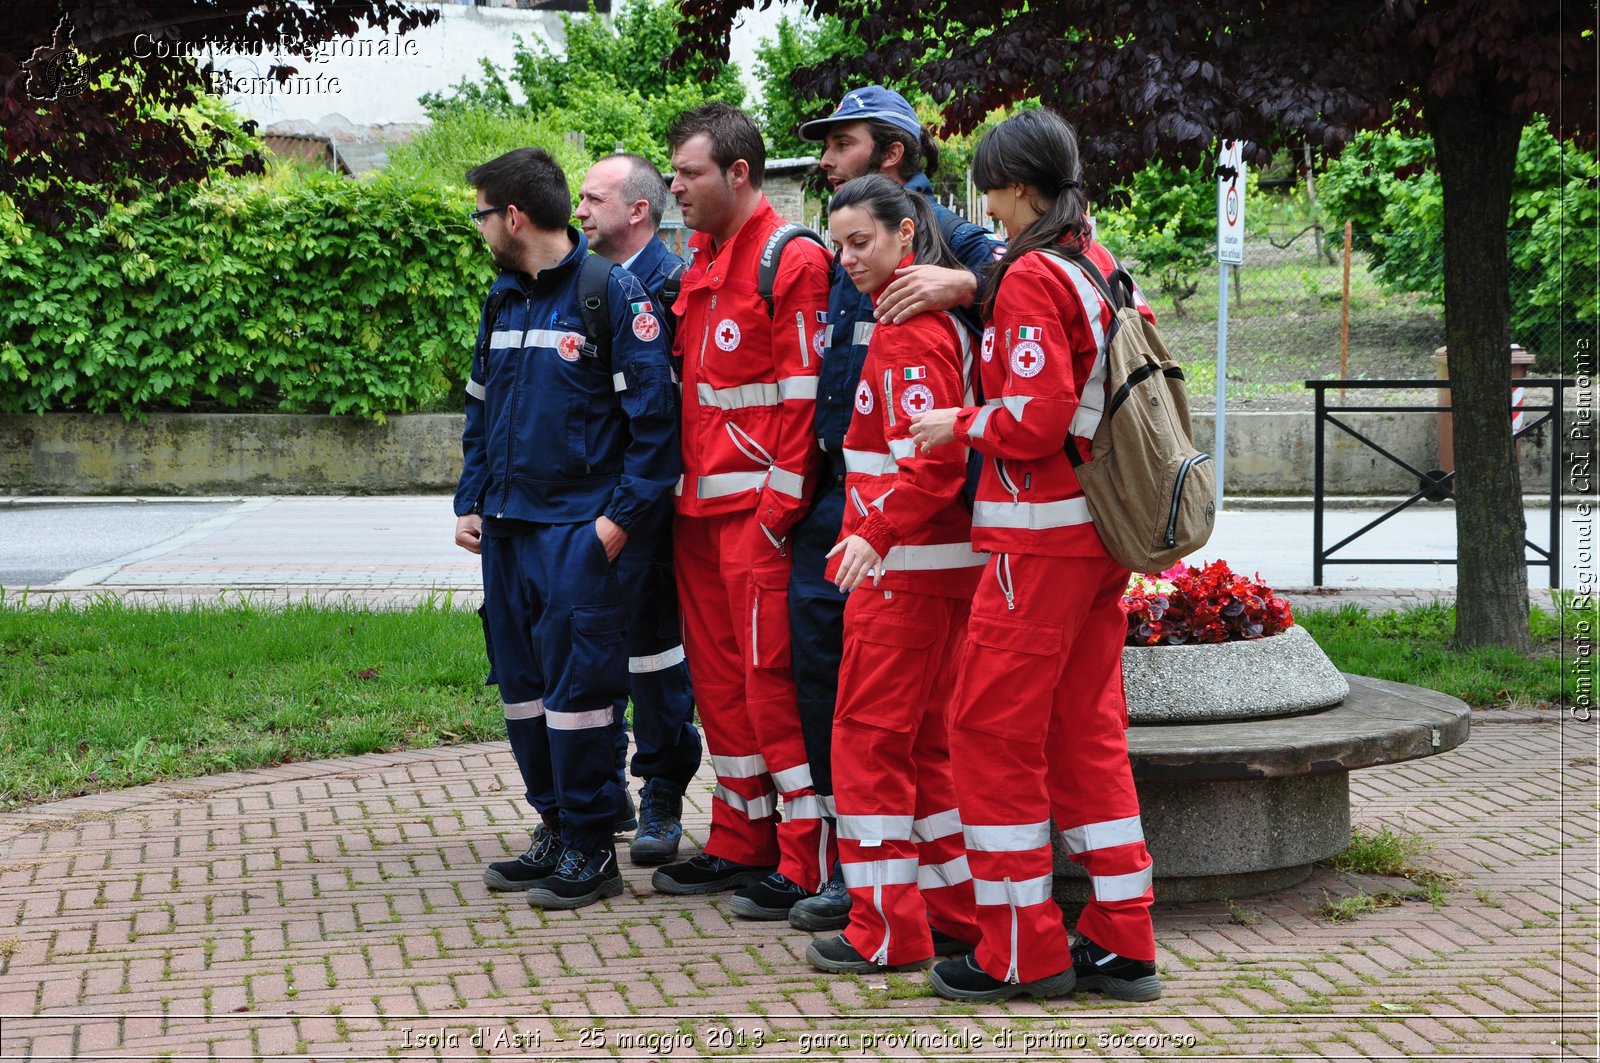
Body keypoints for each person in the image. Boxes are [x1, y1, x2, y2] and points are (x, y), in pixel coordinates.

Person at [907, 108, 1162, 1002]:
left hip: (1035, 544)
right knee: (1084, 735)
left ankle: (1020, 947)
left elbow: (1036, 416)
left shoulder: (1029, 279)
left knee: (986, 732)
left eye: (990, 184)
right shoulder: (1097, 262)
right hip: (1095, 540)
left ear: (1017, 188)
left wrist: (956, 421)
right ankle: (1124, 938)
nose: (986, 199)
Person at [784, 84, 1004, 934]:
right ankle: (948, 910)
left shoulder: (913, 321)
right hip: (928, 563)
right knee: (925, 749)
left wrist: (871, 533)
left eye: (858, 243)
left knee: (869, 742)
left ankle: (883, 926)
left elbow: (932, 459)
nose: (843, 260)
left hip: (901, 567)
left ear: (906, 230)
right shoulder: (921, 311)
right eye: (838, 244)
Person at [454, 147, 680, 911]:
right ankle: (553, 823)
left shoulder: (609, 295)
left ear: (513, 216)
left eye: (483, 213)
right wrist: (471, 499)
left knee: (580, 694)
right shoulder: (502, 298)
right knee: (522, 691)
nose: (481, 226)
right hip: (510, 534)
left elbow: (656, 429)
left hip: (577, 536)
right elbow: (482, 412)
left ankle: (591, 846)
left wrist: (613, 528)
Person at [649, 103, 835, 921]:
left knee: (769, 687)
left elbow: (804, 400)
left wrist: (776, 511)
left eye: (687, 172)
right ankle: (738, 835)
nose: (674, 186)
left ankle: (802, 856)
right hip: (699, 518)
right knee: (720, 689)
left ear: (738, 174)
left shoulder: (790, 259)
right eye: (672, 172)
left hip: (757, 521)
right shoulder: (701, 259)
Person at [576, 153, 704, 866]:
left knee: (656, 654)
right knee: (591, 650)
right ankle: (598, 791)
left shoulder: (677, 285)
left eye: (595, 198)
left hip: (653, 500)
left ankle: (662, 790)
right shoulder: (583, 284)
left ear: (638, 211)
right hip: (592, 497)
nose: (580, 210)